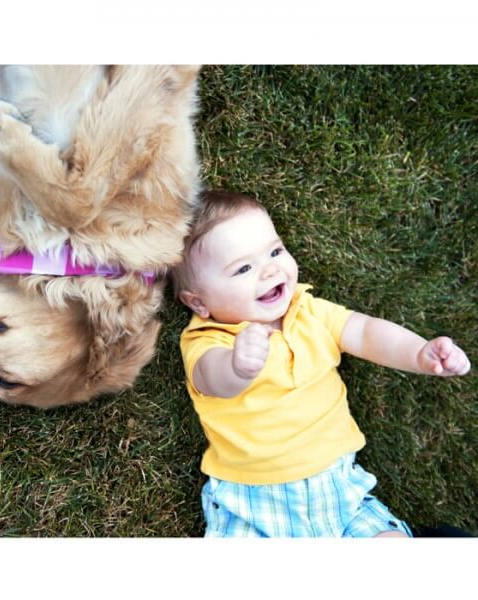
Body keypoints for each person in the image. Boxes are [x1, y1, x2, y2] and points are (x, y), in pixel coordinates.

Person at [172, 190, 471, 538]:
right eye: (243, 268)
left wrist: (419, 353)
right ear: (199, 302)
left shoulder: (309, 311)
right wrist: (236, 367)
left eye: (275, 251)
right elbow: (210, 377)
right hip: (254, 502)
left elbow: (365, 332)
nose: (270, 269)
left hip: (340, 492)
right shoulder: (209, 339)